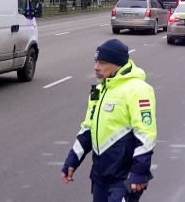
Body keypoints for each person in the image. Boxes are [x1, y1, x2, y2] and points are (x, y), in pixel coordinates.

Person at [61, 39, 156, 202]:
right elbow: (87, 129)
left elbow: (146, 134)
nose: (96, 67)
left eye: (102, 63)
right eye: (96, 61)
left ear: (118, 65)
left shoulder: (138, 89)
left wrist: (139, 171)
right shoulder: (99, 89)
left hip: (124, 178)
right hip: (100, 177)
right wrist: (73, 160)